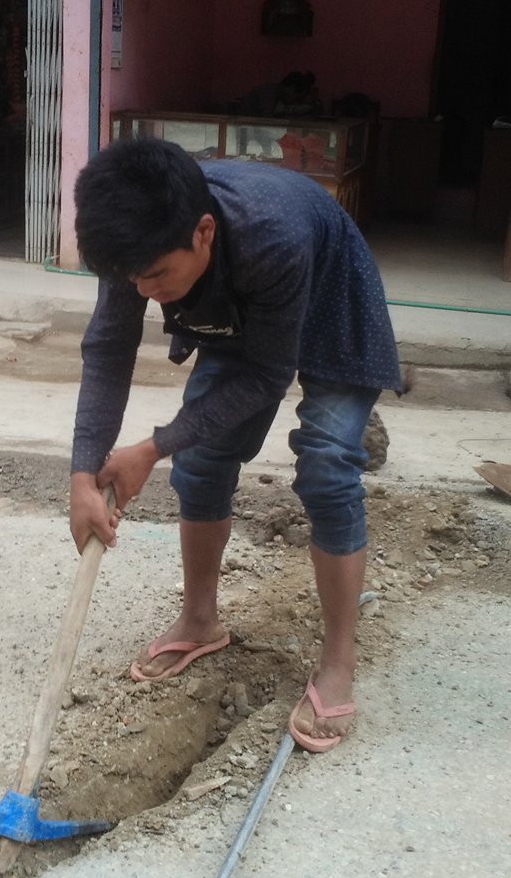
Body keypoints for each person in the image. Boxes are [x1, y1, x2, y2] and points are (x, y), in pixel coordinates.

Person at [69, 137, 401, 753]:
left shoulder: (270, 236)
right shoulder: (135, 245)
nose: (143, 290)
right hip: (242, 305)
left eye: (156, 276)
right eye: (132, 278)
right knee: (200, 460)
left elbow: (266, 376)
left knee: (328, 465)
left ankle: (338, 660)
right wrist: (82, 474)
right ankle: (200, 620)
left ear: (202, 233)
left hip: (331, 299)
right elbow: (108, 349)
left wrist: (153, 446)